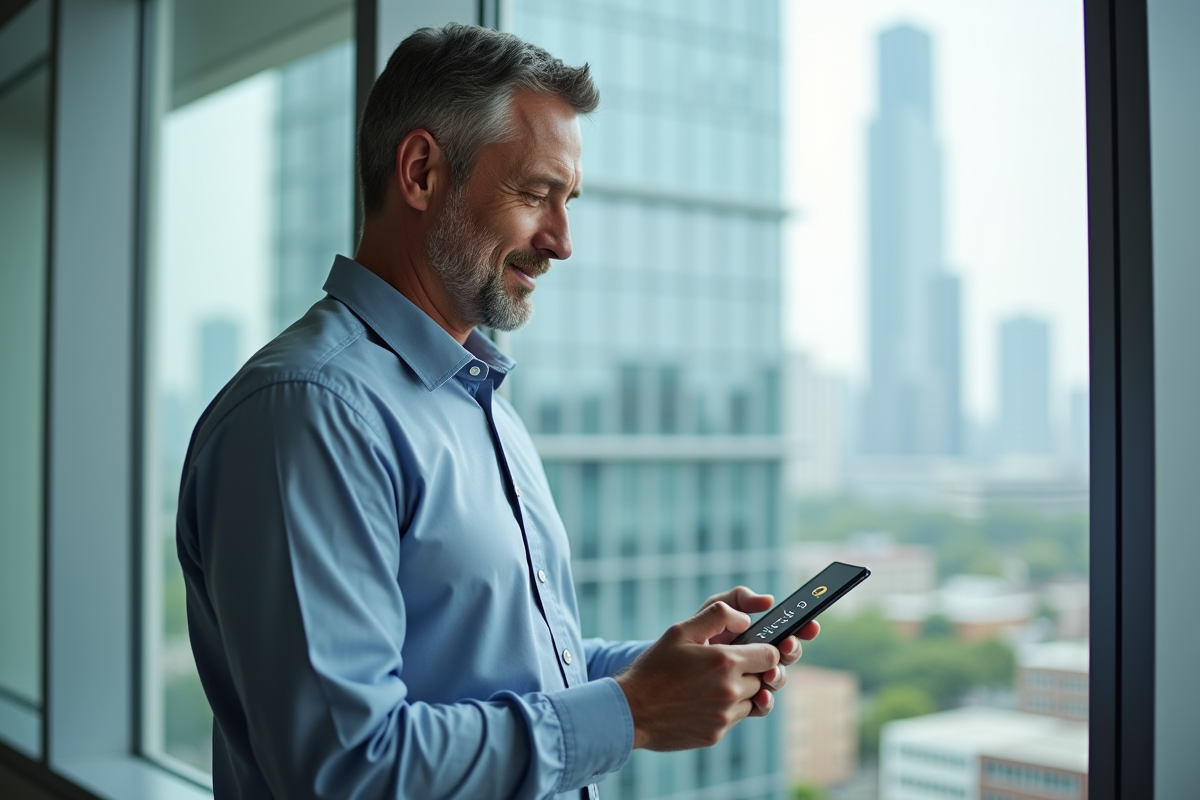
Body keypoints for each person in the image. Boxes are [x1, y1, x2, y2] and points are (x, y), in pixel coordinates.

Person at [176, 23, 818, 800]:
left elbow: (499, 664)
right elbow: (345, 769)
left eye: (568, 200)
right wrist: (632, 713)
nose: (562, 241)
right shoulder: (311, 414)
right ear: (420, 172)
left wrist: (664, 669)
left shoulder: (476, 401)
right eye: (536, 194)